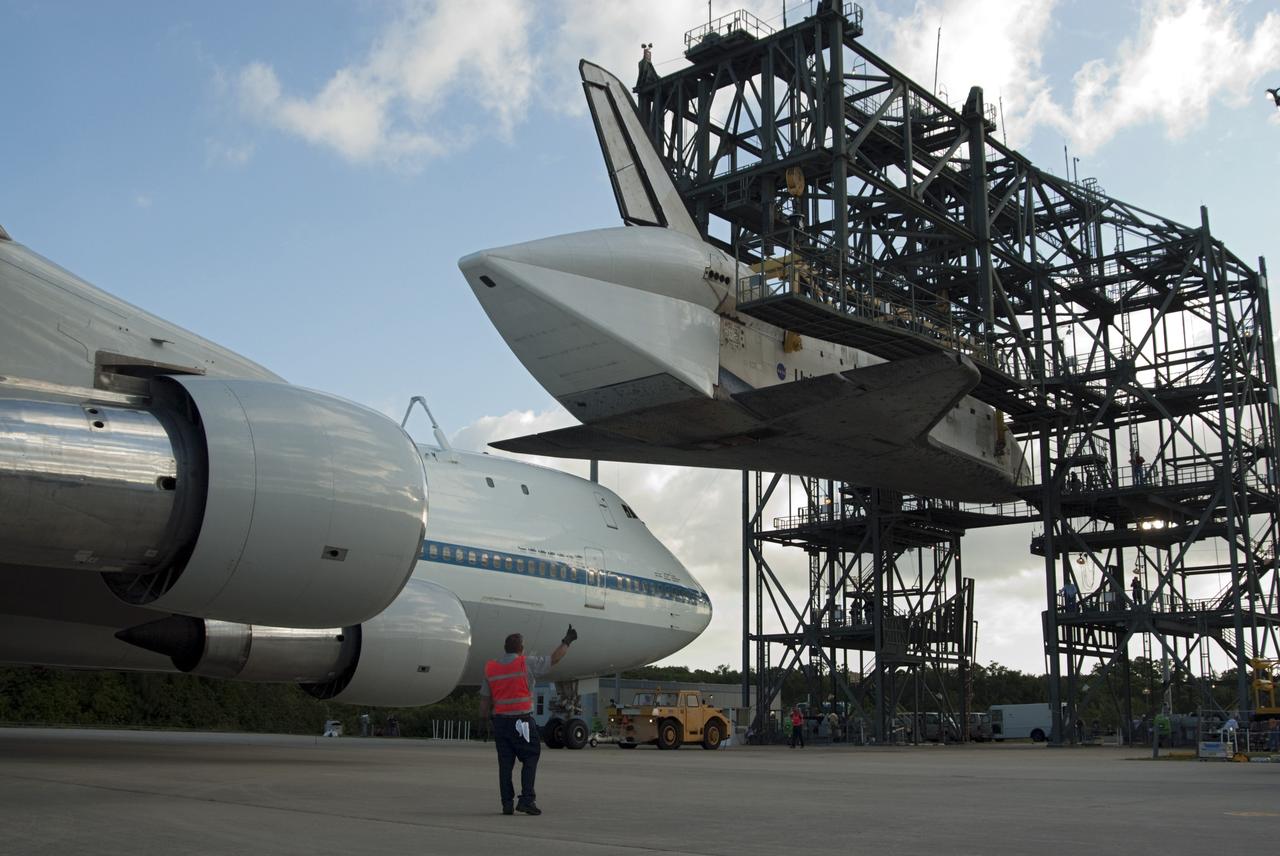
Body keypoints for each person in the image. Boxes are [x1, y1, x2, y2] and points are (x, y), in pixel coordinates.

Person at [479, 626, 576, 816]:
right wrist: (567, 641)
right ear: (521, 649)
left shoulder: (491, 668)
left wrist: (482, 720)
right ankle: (526, 800)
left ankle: (507, 803)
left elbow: (484, 699)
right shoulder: (526, 663)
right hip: (521, 722)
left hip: (500, 722)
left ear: (505, 648)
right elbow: (553, 659)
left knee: (505, 764)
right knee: (531, 756)